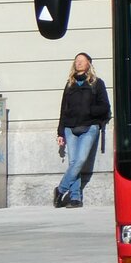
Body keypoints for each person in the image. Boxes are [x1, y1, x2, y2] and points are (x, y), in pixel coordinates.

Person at [54, 52, 111, 208]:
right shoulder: (69, 84)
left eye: (82, 61)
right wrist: (60, 132)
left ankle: (60, 189)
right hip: (70, 128)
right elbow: (63, 109)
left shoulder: (97, 83)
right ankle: (75, 198)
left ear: (88, 64)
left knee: (79, 161)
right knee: (73, 162)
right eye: (76, 61)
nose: (78, 63)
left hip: (90, 126)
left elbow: (105, 107)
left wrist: (89, 111)